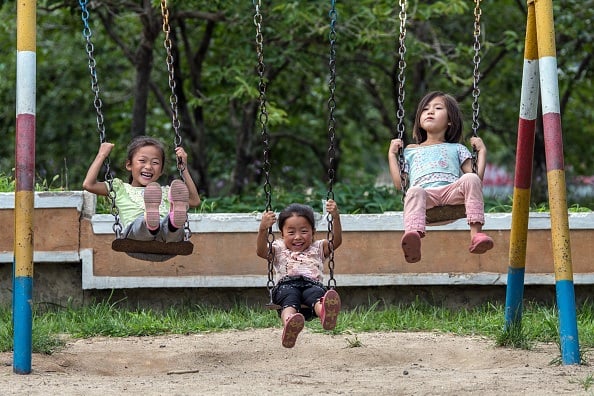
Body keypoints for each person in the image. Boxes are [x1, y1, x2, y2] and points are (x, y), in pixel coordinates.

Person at [388, 91, 494, 263]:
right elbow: (400, 184)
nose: (430, 112)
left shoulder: (456, 148)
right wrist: (392, 155)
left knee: (470, 179)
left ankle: (476, 235)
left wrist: (482, 152)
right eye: (425, 109)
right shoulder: (410, 151)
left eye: (438, 108)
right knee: (414, 191)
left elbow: (476, 180)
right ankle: (413, 237)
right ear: (419, 120)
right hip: (426, 197)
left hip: (452, 194)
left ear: (450, 120)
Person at [256, 201, 343, 348]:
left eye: (304, 231)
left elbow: (336, 242)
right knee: (289, 298)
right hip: (286, 285)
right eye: (291, 232)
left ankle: (325, 314)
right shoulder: (278, 248)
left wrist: (336, 217)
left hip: (312, 284)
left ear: (313, 232)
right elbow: (261, 252)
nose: (298, 237)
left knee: (316, 295)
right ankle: (290, 323)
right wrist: (263, 229)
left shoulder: (318, 247)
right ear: (282, 234)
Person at [83, 136, 201, 243]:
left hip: (166, 240)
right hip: (135, 237)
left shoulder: (166, 192)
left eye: (155, 162)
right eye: (142, 161)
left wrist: (183, 168)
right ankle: (150, 222)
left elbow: (195, 201)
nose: (148, 167)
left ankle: (173, 221)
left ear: (161, 171)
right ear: (129, 165)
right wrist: (101, 155)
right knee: (140, 223)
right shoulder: (119, 188)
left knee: (171, 227)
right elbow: (89, 184)